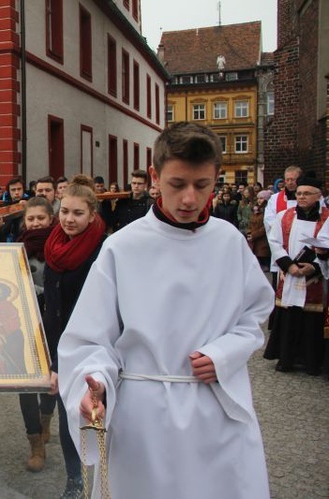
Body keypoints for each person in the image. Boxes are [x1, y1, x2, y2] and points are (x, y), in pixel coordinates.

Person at [57, 122, 273, 499]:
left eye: (202, 186)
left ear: (216, 178)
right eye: (177, 184)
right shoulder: (122, 247)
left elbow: (254, 315)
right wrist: (96, 384)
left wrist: (224, 353)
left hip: (216, 406)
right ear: (155, 176)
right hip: (145, 418)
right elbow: (91, 338)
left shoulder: (230, 243)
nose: (190, 198)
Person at [43, 174, 107, 497]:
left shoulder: (101, 252)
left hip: (87, 345)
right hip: (55, 341)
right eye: (64, 211)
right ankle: (75, 478)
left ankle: (99, 478)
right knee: (65, 415)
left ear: (92, 215)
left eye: (77, 213)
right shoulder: (54, 244)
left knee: (84, 412)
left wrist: (62, 359)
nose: (68, 219)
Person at [264, 175, 327, 375]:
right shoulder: (284, 215)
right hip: (290, 273)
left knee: (312, 319)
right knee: (290, 315)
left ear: (318, 196)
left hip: (316, 277)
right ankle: (287, 358)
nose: (301, 197)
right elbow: (274, 241)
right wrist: (288, 266)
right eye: (299, 193)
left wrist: (315, 267)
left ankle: (312, 362)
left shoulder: (327, 218)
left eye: (307, 194)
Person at [16, 196, 58, 472]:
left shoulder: (59, 248)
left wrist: (41, 295)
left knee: (51, 378)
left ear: (50, 220)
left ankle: (45, 421)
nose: (35, 223)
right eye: (30, 219)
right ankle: (35, 442)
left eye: (40, 218)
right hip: (24, 326)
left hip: (52, 323)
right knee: (26, 382)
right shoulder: (16, 249)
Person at [247, 190, 271, 271]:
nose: (259, 200)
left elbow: (266, 227)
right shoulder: (256, 210)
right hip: (254, 240)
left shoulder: (267, 210)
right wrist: (249, 233)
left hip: (263, 241)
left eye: (261, 198)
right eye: (258, 198)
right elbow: (250, 223)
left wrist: (254, 235)